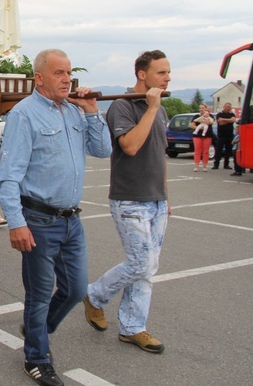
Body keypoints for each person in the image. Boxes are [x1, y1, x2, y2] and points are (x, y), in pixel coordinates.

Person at [0, 49, 112, 386]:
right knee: (40, 293)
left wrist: (92, 113)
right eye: (59, 73)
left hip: (71, 220)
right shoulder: (24, 115)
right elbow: (8, 177)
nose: (67, 79)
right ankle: (37, 358)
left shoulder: (75, 113)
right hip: (39, 220)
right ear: (40, 78)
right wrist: (16, 222)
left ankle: (36, 329)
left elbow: (103, 150)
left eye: (69, 72)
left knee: (76, 289)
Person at [83, 50, 171, 355]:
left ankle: (133, 327)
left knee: (148, 268)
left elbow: (160, 155)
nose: (167, 78)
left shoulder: (158, 109)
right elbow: (131, 146)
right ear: (142, 75)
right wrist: (150, 109)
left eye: (168, 72)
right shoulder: (122, 106)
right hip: (129, 199)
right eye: (161, 73)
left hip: (156, 199)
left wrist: (165, 196)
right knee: (140, 262)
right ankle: (94, 295)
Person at [212, 102, 237, 170]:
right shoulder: (219, 114)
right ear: (224, 107)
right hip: (221, 136)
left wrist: (224, 120)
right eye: (227, 107)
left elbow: (233, 120)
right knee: (218, 150)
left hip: (230, 135)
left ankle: (226, 164)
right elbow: (220, 122)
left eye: (229, 107)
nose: (228, 108)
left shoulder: (232, 114)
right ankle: (216, 164)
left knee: (228, 151)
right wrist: (229, 121)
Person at [191, 103, 215, 172]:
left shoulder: (210, 116)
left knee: (205, 151)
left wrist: (204, 120)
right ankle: (196, 166)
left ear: (206, 109)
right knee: (197, 151)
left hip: (207, 135)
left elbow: (211, 122)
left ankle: (204, 166)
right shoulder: (196, 116)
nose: (201, 109)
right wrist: (198, 127)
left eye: (203, 108)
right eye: (200, 108)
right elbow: (192, 125)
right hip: (197, 136)